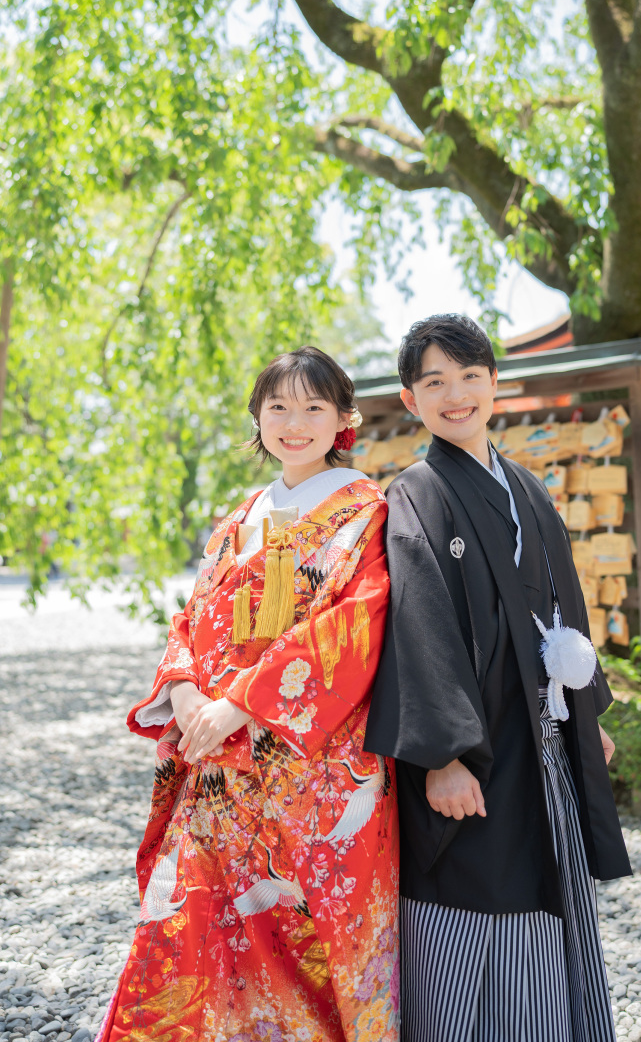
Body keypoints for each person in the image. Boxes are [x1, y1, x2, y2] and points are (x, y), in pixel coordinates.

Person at [96, 347, 399, 1042]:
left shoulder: (366, 512)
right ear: (258, 419)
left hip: (310, 767)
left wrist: (241, 704)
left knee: (305, 938)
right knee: (187, 924)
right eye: (278, 408)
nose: (294, 424)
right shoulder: (242, 515)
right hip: (216, 758)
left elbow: (355, 624)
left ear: (344, 419)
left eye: (313, 408)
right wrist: (183, 693)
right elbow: (193, 615)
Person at [365, 315, 631, 1042]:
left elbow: (564, 609)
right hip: (474, 751)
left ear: (493, 385)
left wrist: (586, 717)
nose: (456, 395)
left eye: (470, 377)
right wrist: (442, 756)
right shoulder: (416, 493)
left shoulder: (529, 490)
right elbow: (418, 622)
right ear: (411, 399)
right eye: (435, 382)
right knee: (468, 895)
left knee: (544, 888)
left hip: (541, 737)